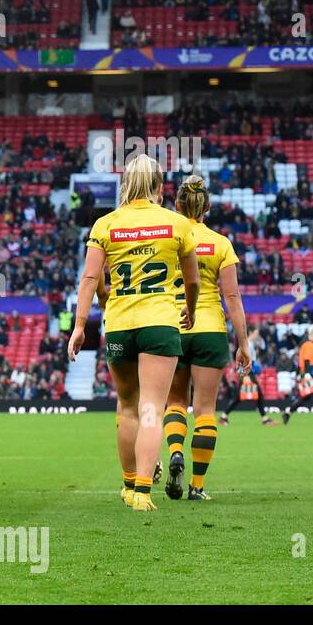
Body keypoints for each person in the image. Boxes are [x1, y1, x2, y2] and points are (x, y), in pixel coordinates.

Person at [69, 154, 199, 513]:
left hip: (120, 324)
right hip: (160, 321)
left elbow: (91, 279)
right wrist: (189, 306)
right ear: (159, 186)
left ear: (125, 184)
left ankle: (128, 486)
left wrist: (80, 326)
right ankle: (143, 491)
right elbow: (192, 280)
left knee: (127, 407)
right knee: (152, 409)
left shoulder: (105, 225)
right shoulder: (177, 224)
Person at [160, 175, 251, 501]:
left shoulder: (168, 238)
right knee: (205, 410)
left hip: (173, 326)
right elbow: (233, 297)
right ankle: (197, 486)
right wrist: (243, 342)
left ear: (177, 204)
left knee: (174, 402)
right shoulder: (221, 243)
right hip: (210, 329)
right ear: (208, 207)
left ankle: (174, 452)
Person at [282, 325, 313, 425]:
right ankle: (288, 412)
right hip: (309, 374)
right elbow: (306, 360)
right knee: (307, 396)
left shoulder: (306, 344)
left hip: (308, 373)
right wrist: (308, 374)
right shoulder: (309, 345)